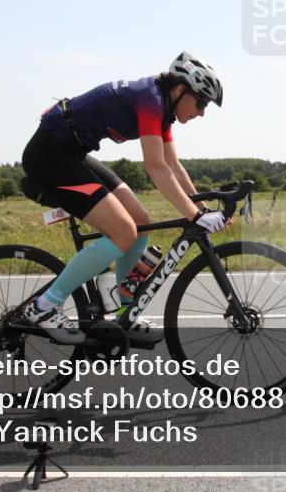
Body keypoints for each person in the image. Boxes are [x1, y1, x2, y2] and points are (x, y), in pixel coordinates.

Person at [20, 52, 230, 346]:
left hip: (72, 153)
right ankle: (44, 306)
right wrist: (195, 217)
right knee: (123, 231)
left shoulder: (163, 110)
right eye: (202, 102)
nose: (202, 112)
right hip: (49, 154)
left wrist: (202, 208)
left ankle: (123, 313)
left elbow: (173, 166)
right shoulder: (151, 99)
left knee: (141, 223)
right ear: (181, 89)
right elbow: (155, 168)